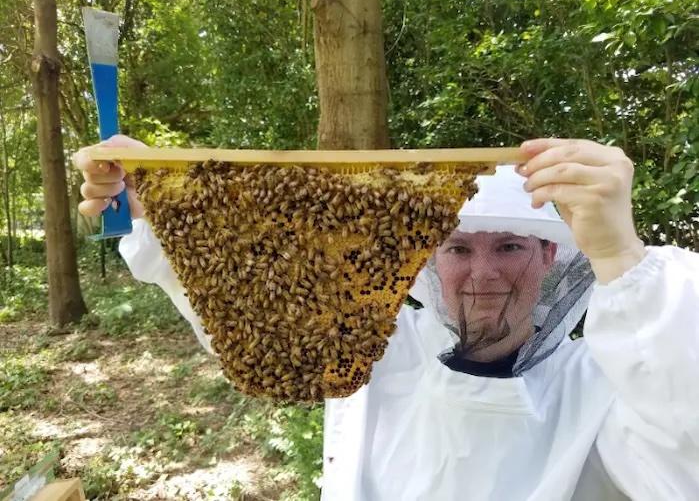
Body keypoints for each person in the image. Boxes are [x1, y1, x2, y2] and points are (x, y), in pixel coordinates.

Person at [73, 137, 699, 500]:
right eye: (457, 249)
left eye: (508, 246)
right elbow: (243, 307)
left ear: (548, 257)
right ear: (429, 259)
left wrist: (620, 254)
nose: (482, 275)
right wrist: (157, 199)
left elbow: (685, 449)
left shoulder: (608, 386)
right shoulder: (371, 344)